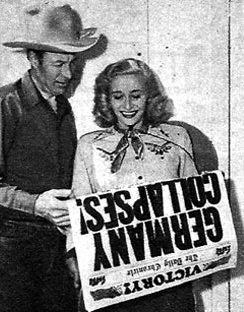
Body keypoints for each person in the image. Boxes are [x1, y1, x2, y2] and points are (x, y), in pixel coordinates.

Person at [0, 3, 99, 312]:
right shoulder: (2, 104)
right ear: (32, 58)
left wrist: (72, 251)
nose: (68, 73)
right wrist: (37, 204)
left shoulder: (64, 109)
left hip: (52, 250)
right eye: (58, 63)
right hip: (8, 251)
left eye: (72, 62)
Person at [68, 58, 199, 312]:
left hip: (168, 277)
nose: (127, 106)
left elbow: (195, 203)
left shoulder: (177, 138)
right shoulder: (89, 145)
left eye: (136, 95)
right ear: (107, 100)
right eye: (118, 97)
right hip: (113, 276)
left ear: (149, 97)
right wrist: (73, 255)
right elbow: (78, 209)